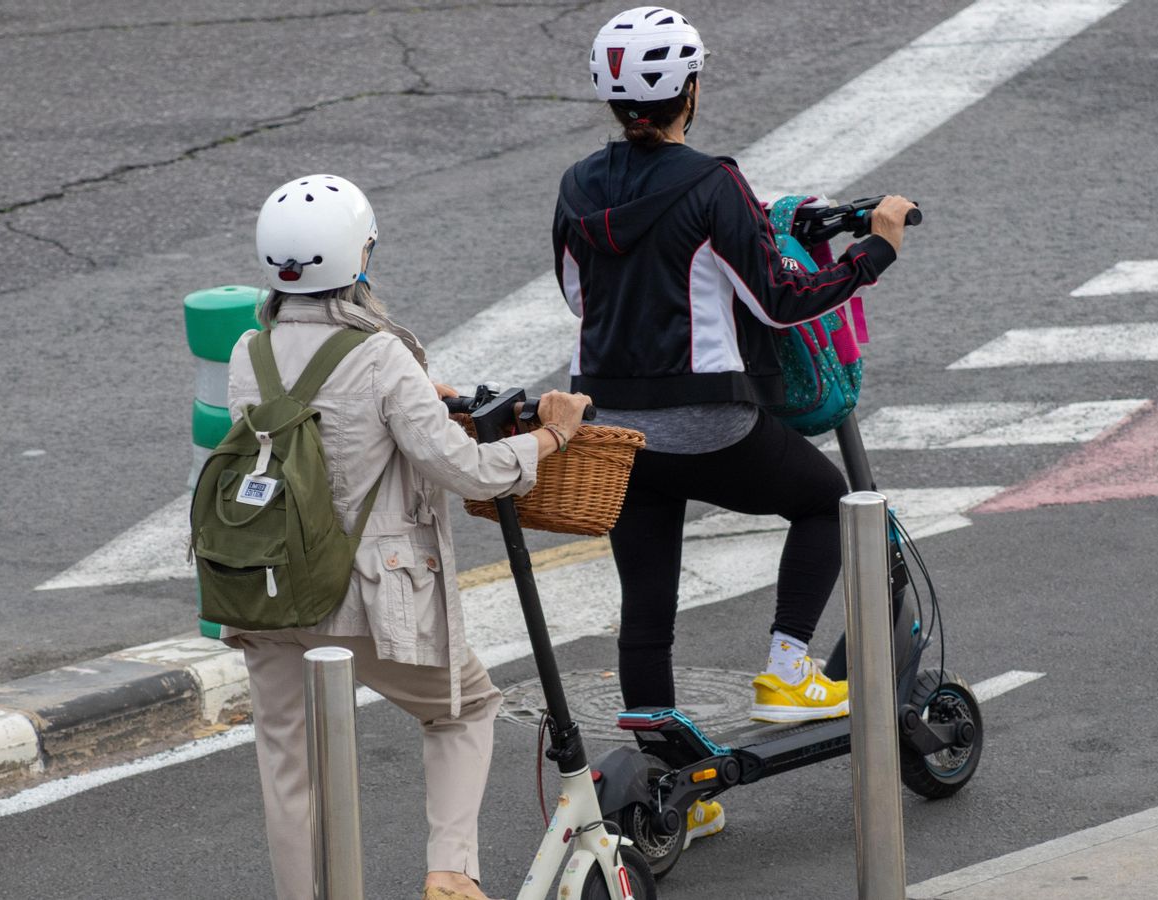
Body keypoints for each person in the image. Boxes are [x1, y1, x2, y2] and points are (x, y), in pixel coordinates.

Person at [552, 7, 915, 845]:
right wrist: (875, 252)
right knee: (828, 503)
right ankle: (789, 670)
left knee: (647, 606)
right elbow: (780, 301)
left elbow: (576, 296)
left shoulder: (576, 186)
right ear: (690, 91)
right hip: (709, 424)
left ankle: (670, 786)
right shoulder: (713, 184)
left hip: (616, 433)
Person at [223, 173, 591, 900]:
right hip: (360, 597)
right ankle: (450, 871)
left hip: (264, 589)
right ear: (358, 258)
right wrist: (552, 436)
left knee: (289, 763)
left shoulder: (248, 350)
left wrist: (422, 395)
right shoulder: (381, 354)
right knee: (464, 709)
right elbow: (465, 469)